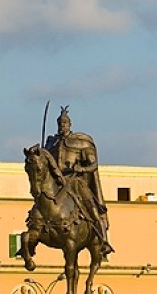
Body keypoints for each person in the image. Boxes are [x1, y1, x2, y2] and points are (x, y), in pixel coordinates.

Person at [44, 107, 114, 255]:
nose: (62, 126)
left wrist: (81, 169)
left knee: (93, 210)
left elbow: (94, 164)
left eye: (65, 123)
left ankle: (103, 240)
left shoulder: (81, 142)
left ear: (70, 124)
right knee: (40, 203)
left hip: (75, 181)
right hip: (56, 183)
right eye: (60, 123)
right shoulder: (52, 143)